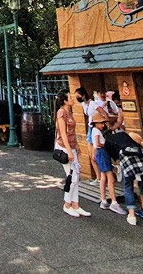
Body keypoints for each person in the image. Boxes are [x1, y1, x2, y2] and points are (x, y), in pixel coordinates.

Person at [105, 124, 143, 229]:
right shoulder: (122, 134)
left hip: (126, 159)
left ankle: (132, 215)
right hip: (142, 156)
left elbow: (115, 159)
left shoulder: (108, 143)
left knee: (128, 186)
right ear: (113, 132)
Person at [53, 89, 90, 217]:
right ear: (65, 101)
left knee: (76, 175)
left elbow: (72, 132)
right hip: (64, 147)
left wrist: (77, 146)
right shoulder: (61, 113)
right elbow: (63, 133)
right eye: (70, 97)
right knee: (72, 177)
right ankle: (67, 204)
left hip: (72, 146)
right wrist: (69, 151)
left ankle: (76, 204)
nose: (73, 98)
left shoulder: (69, 112)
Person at [90, 114, 126, 214]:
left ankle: (104, 200)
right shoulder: (96, 131)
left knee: (103, 178)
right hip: (102, 152)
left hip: (100, 154)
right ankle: (114, 202)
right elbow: (97, 144)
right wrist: (107, 144)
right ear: (96, 123)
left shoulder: (95, 131)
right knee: (111, 178)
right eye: (101, 123)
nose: (103, 125)